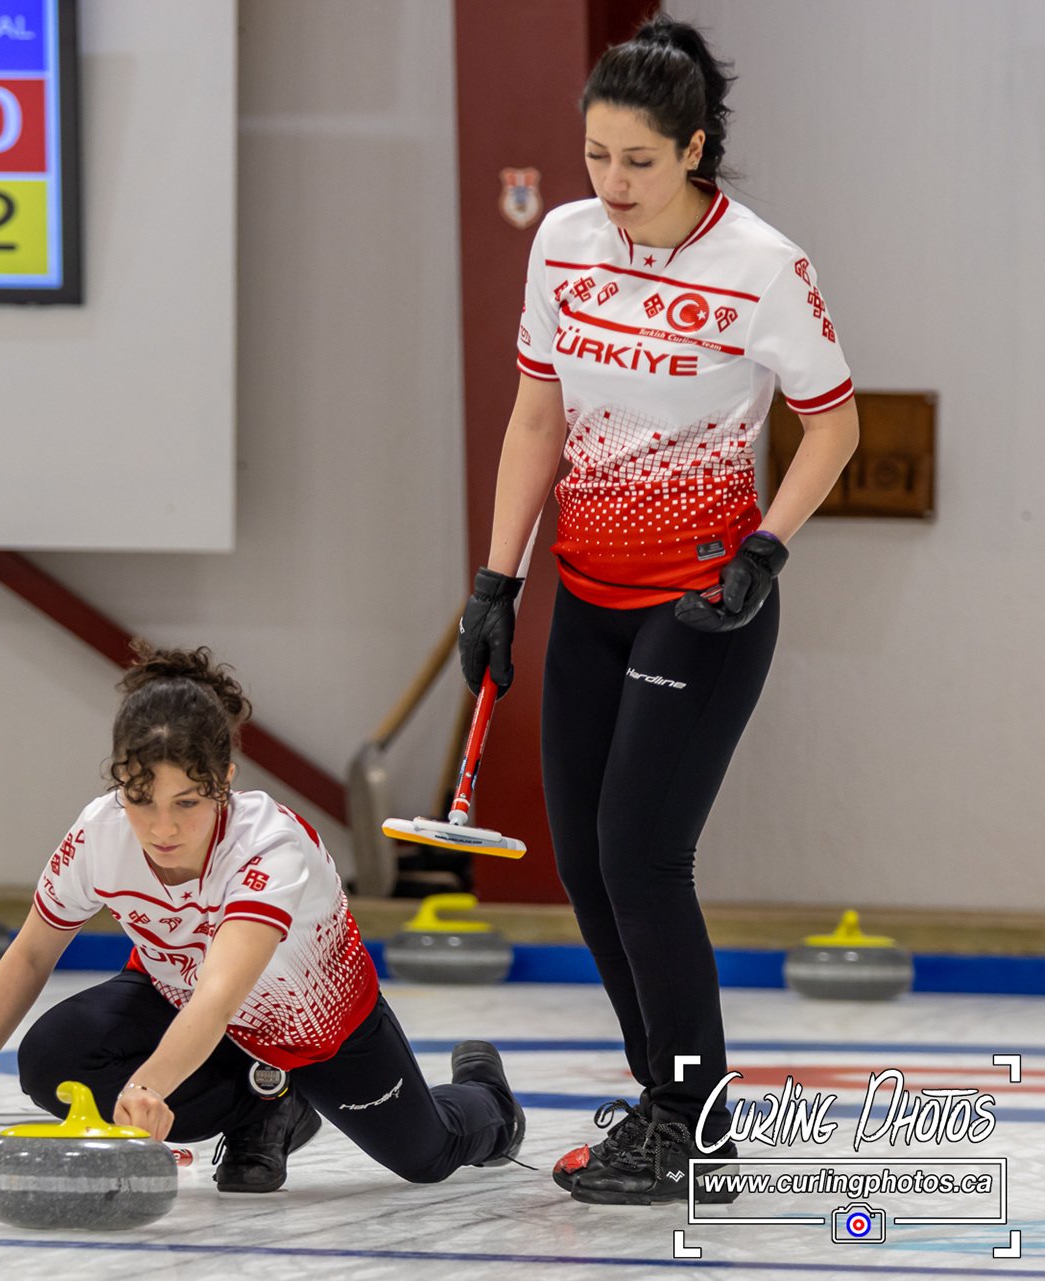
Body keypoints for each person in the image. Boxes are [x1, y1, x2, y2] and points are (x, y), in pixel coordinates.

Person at [460, 17, 860, 1206]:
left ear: (693, 149)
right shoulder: (564, 243)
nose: (614, 183)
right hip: (586, 595)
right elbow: (537, 416)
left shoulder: (763, 265)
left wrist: (767, 548)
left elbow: (834, 425)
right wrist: (495, 582)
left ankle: (696, 1121)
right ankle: (668, 1103)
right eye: (596, 156)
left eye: (638, 160)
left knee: (642, 855)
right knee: (586, 866)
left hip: (702, 606)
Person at [0, 647, 524, 1194]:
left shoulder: (270, 846)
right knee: (54, 1057)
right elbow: (31, 954)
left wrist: (147, 1087)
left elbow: (219, 996)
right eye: (140, 800)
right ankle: (265, 1107)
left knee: (425, 1156)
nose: (162, 829)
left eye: (187, 803)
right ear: (118, 781)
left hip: (314, 1031)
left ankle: (487, 1096)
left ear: (225, 782)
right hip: (181, 1006)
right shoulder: (98, 833)